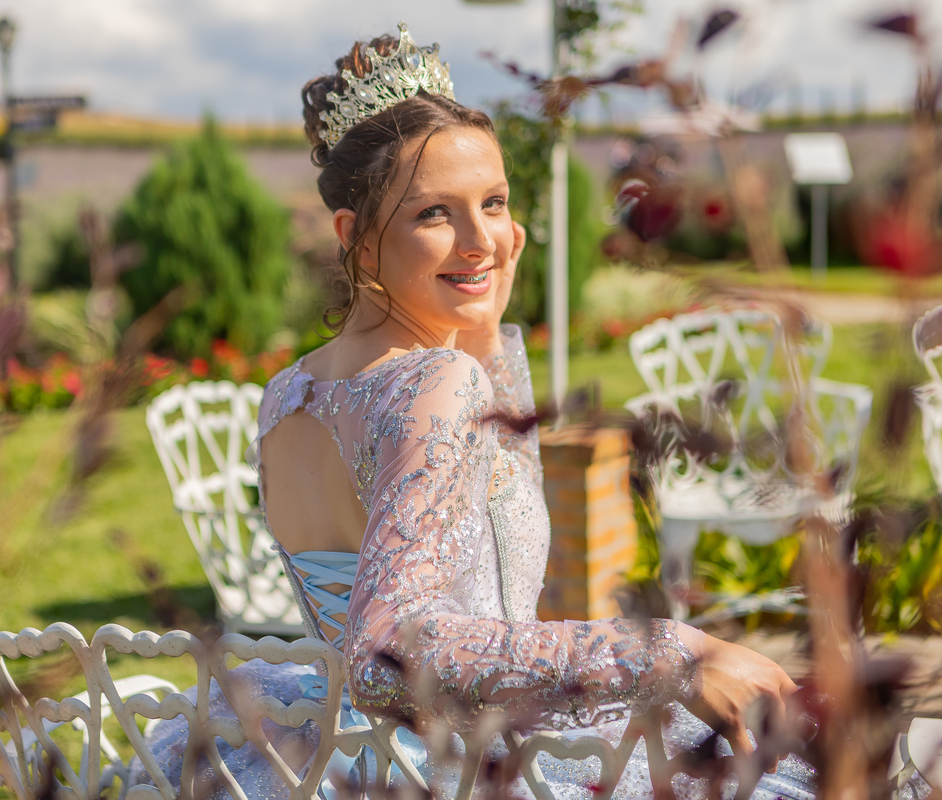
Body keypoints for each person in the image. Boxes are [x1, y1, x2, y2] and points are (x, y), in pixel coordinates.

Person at [130, 24, 816, 799]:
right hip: (455, 762)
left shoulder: (288, 394)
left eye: (492, 203)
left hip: (332, 753)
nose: (483, 240)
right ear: (356, 239)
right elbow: (389, 654)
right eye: (434, 213)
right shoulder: (435, 384)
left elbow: (491, 533)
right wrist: (663, 652)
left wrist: (484, 333)